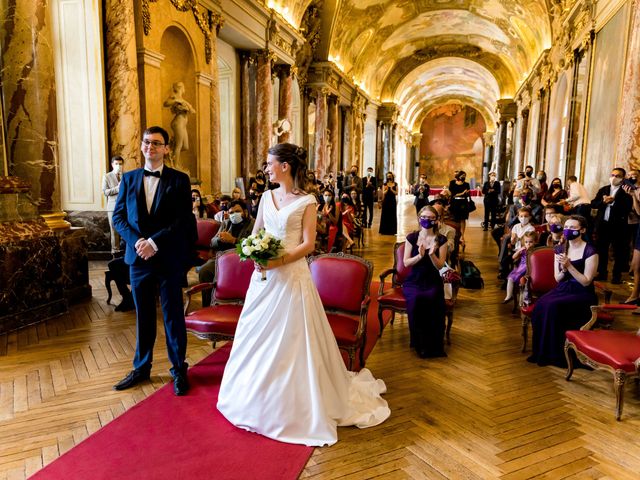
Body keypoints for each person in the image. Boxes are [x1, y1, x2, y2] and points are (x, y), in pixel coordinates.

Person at [217, 143, 389, 446]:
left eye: (270, 163)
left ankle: (293, 406)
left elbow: (309, 244)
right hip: (263, 280)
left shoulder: (306, 201)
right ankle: (252, 399)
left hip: (292, 278)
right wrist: (253, 253)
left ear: (285, 166)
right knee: (257, 337)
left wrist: (279, 261)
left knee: (292, 340)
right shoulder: (265, 197)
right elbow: (256, 232)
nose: (267, 168)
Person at [112, 125, 197, 396]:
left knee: (173, 316)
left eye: (157, 143)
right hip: (138, 260)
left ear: (166, 149)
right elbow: (119, 217)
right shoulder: (129, 178)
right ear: (142, 146)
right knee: (144, 316)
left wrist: (154, 242)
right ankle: (142, 367)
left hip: (167, 258)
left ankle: (178, 369)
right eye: (147, 142)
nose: (151, 147)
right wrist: (139, 242)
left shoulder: (179, 180)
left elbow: (183, 220)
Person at [527, 215, 598, 367]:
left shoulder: (591, 251)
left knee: (553, 306)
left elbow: (586, 281)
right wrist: (564, 269)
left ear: (582, 230)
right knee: (541, 304)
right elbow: (557, 278)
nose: (568, 230)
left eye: (573, 228)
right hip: (564, 288)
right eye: (566, 227)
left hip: (582, 293)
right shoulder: (559, 249)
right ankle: (543, 351)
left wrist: (570, 266)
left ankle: (558, 354)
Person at [402, 205, 448, 358]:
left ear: (436, 220)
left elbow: (440, 265)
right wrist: (420, 256)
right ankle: (418, 342)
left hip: (432, 280)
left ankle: (432, 344)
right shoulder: (412, 238)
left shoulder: (441, 240)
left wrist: (432, 254)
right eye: (424, 217)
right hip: (414, 280)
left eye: (430, 218)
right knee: (415, 301)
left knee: (433, 301)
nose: (427, 220)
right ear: (419, 219)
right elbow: (406, 263)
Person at [198, 200, 255, 306]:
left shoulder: (253, 224)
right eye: (231, 213)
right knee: (204, 271)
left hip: (244, 259)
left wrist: (234, 240)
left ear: (245, 212)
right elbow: (212, 242)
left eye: (237, 211)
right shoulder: (225, 223)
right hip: (223, 259)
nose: (234, 215)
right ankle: (207, 306)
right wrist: (220, 239)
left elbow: (253, 245)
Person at [591, 167, 632, 283]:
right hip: (603, 224)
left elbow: (627, 209)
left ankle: (616, 276)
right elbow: (593, 204)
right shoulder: (604, 189)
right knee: (601, 250)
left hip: (618, 226)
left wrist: (613, 202)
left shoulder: (626, 191)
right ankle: (602, 273)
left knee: (618, 252)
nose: (614, 178)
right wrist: (603, 202)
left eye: (617, 176)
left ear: (623, 178)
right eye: (612, 175)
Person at [162, 82, 196, 169]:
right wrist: (176, 101)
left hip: (183, 124)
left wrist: (185, 104)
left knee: (185, 146)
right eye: (182, 86)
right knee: (179, 145)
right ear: (180, 87)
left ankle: (169, 152)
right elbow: (165, 104)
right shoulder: (174, 97)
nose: (184, 88)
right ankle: (175, 167)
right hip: (178, 122)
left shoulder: (182, 99)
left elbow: (193, 111)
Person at [503, 231, 537, 303]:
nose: (528, 244)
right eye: (526, 242)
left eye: (530, 242)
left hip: (530, 268)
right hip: (521, 267)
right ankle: (509, 295)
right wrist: (519, 251)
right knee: (510, 278)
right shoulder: (523, 250)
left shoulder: (536, 251)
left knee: (521, 279)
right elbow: (513, 257)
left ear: (535, 242)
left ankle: (525, 299)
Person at [102, 155, 124, 255]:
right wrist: (117, 188)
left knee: (125, 227)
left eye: (120, 164)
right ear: (112, 165)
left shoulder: (126, 176)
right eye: (116, 164)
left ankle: (125, 251)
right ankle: (115, 251)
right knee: (114, 229)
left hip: (125, 206)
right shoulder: (107, 176)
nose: (118, 166)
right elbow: (105, 192)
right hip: (112, 207)